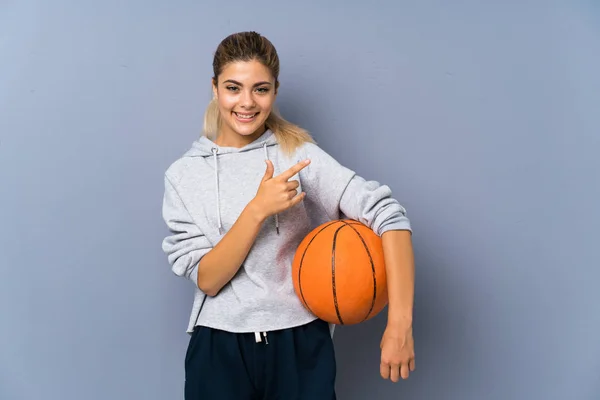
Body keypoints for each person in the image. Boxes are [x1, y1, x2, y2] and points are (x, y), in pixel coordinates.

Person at [161, 31, 416, 399]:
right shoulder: (184, 175)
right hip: (218, 347)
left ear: (275, 92)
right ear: (214, 89)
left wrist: (400, 324)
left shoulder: (297, 155)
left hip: (298, 344)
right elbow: (208, 280)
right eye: (234, 87)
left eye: (260, 89)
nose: (246, 102)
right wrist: (257, 210)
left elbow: (390, 216)